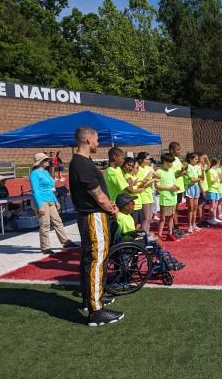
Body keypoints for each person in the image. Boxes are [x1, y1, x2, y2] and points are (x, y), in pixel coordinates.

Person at [69, 126, 123, 326]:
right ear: (88, 140)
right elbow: (97, 195)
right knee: (97, 259)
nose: (98, 144)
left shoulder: (82, 162)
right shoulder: (81, 163)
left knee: (89, 259)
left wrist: (109, 204)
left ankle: (90, 297)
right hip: (94, 217)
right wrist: (111, 209)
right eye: (97, 140)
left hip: (92, 215)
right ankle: (96, 310)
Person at [115, 192, 184, 270]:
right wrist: (144, 234)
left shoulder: (125, 216)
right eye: (133, 203)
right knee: (156, 240)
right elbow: (129, 234)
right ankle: (165, 261)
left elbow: (131, 232)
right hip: (129, 242)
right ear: (126, 206)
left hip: (131, 240)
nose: (134, 205)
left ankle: (164, 260)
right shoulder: (123, 219)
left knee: (153, 237)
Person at [29, 153, 78, 255]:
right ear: (40, 162)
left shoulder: (46, 172)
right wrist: (40, 206)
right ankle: (45, 247)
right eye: (46, 160)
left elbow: (49, 189)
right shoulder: (34, 174)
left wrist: (55, 201)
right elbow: (35, 191)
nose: (48, 161)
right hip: (41, 201)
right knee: (45, 224)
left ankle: (65, 242)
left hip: (50, 200)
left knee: (57, 221)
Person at [156, 154, 180, 241]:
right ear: (165, 162)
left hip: (173, 197)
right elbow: (157, 186)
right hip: (165, 198)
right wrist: (168, 188)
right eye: (170, 162)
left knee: (171, 217)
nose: (172, 164)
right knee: (163, 218)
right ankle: (159, 235)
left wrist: (176, 187)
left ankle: (170, 233)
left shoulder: (171, 171)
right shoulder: (158, 172)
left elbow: (173, 183)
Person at [167, 142, 187, 236]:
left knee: (176, 209)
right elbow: (172, 174)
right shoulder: (170, 161)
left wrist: (184, 169)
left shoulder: (177, 159)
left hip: (180, 188)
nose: (179, 151)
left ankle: (176, 226)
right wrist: (181, 173)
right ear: (171, 150)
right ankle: (174, 228)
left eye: (179, 149)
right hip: (175, 188)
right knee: (173, 209)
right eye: (177, 150)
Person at [121, 158, 146, 229]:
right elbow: (131, 190)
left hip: (137, 203)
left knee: (138, 224)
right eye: (136, 168)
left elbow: (131, 187)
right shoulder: (127, 175)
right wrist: (141, 189)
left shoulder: (131, 175)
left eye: (132, 166)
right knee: (134, 224)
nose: (130, 168)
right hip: (132, 204)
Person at [137, 152, 157, 232]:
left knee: (149, 218)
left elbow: (156, 176)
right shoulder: (139, 169)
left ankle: (147, 235)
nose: (149, 161)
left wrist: (156, 176)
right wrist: (152, 178)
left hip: (150, 193)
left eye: (150, 159)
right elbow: (142, 185)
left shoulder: (149, 168)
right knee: (145, 219)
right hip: (143, 194)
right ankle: (144, 236)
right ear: (141, 160)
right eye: (147, 159)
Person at [185, 152, 203, 232]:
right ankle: (189, 226)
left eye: (197, 159)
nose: (197, 160)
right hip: (190, 187)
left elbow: (202, 177)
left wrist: (202, 169)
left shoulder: (197, 167)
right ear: (190, 159)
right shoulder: (188, 167)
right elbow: (192, 179)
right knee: (190, 208)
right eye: (195, 159)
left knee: (195, 207)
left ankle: (194, 224)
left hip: (196, 187)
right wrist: (198, 179)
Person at [206, 157, 222, 224]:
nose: (219, 166)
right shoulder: (210, 171)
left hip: (216, 189)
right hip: (212, 189)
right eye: (218, 164)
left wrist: (221, 172)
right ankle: (211, 219)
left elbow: (220, 179)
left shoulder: (216, 171)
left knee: (215, 205)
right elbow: (212, 181)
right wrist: (217, 176)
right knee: (212, 206)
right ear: (216, 164)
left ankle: (214, 218)